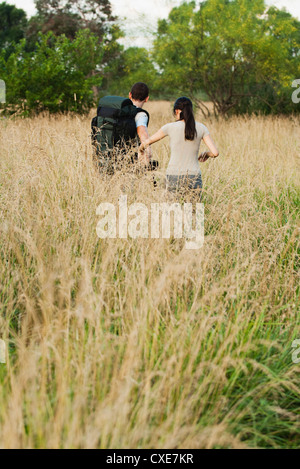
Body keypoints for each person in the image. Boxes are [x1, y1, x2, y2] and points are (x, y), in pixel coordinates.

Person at [139, 97, 219, 195]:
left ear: (177, 111)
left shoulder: (169, 127)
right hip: (194, 176)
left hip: (173, 175)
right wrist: (206, 154)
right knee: (194, 209)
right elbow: (215, 153)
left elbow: (147, 142)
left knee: (173, 209)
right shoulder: (201, 128)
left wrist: (141, 150)